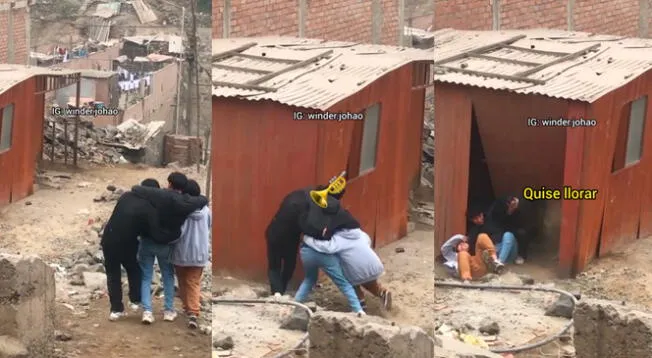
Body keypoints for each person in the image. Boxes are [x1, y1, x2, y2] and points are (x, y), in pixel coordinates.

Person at [132, 172, 209, 324]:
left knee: (146, 276)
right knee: (169, 276)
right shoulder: (184, 204)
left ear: (169, 184)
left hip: (147, 242)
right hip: (167, 245)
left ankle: (147, 311)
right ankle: (169, 310)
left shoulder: (154, 199)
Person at [265, 176, 350, 296]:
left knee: (276, 265)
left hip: (276, 232)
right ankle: (279, 292)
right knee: (287, 265)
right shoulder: (311, 205)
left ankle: (277, 293)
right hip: (286, 236)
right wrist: (324, 234)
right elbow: (308, 227)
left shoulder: (304, 194)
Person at [101, 178, 159, 321]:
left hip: (108, 239)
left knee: (113, 274)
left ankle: (116, 310)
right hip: (127, 243)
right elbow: (151, 231)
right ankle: (135, 300)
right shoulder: (147, 207)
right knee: (134, 269)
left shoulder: (126, 196)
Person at [303, 226, 392, 311]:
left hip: (355, 270)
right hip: (374, 264)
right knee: (369, 282)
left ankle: (360, 302)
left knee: (349, 279)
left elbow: (326, 248)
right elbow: (368, 240)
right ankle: (381, 292)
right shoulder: (358, 233)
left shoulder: (337, 239)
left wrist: (307, 238)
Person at [172, 180, 211, 329]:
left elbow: (177, 230)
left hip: (182, 251)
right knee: (194, 282)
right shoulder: (206, 211)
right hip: (199, 253)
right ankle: (193, 312)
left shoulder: (181, 210)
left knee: (182, 281)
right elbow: (208, 226)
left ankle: (187, 307)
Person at [485, 196, 524, 265]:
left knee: (508, 235)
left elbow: (518, 230)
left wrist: (511, 211)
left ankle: (499, 263)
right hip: (496, 251)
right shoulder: (489, 223)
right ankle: (497, 262)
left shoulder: (514, 216)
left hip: (510, 253)